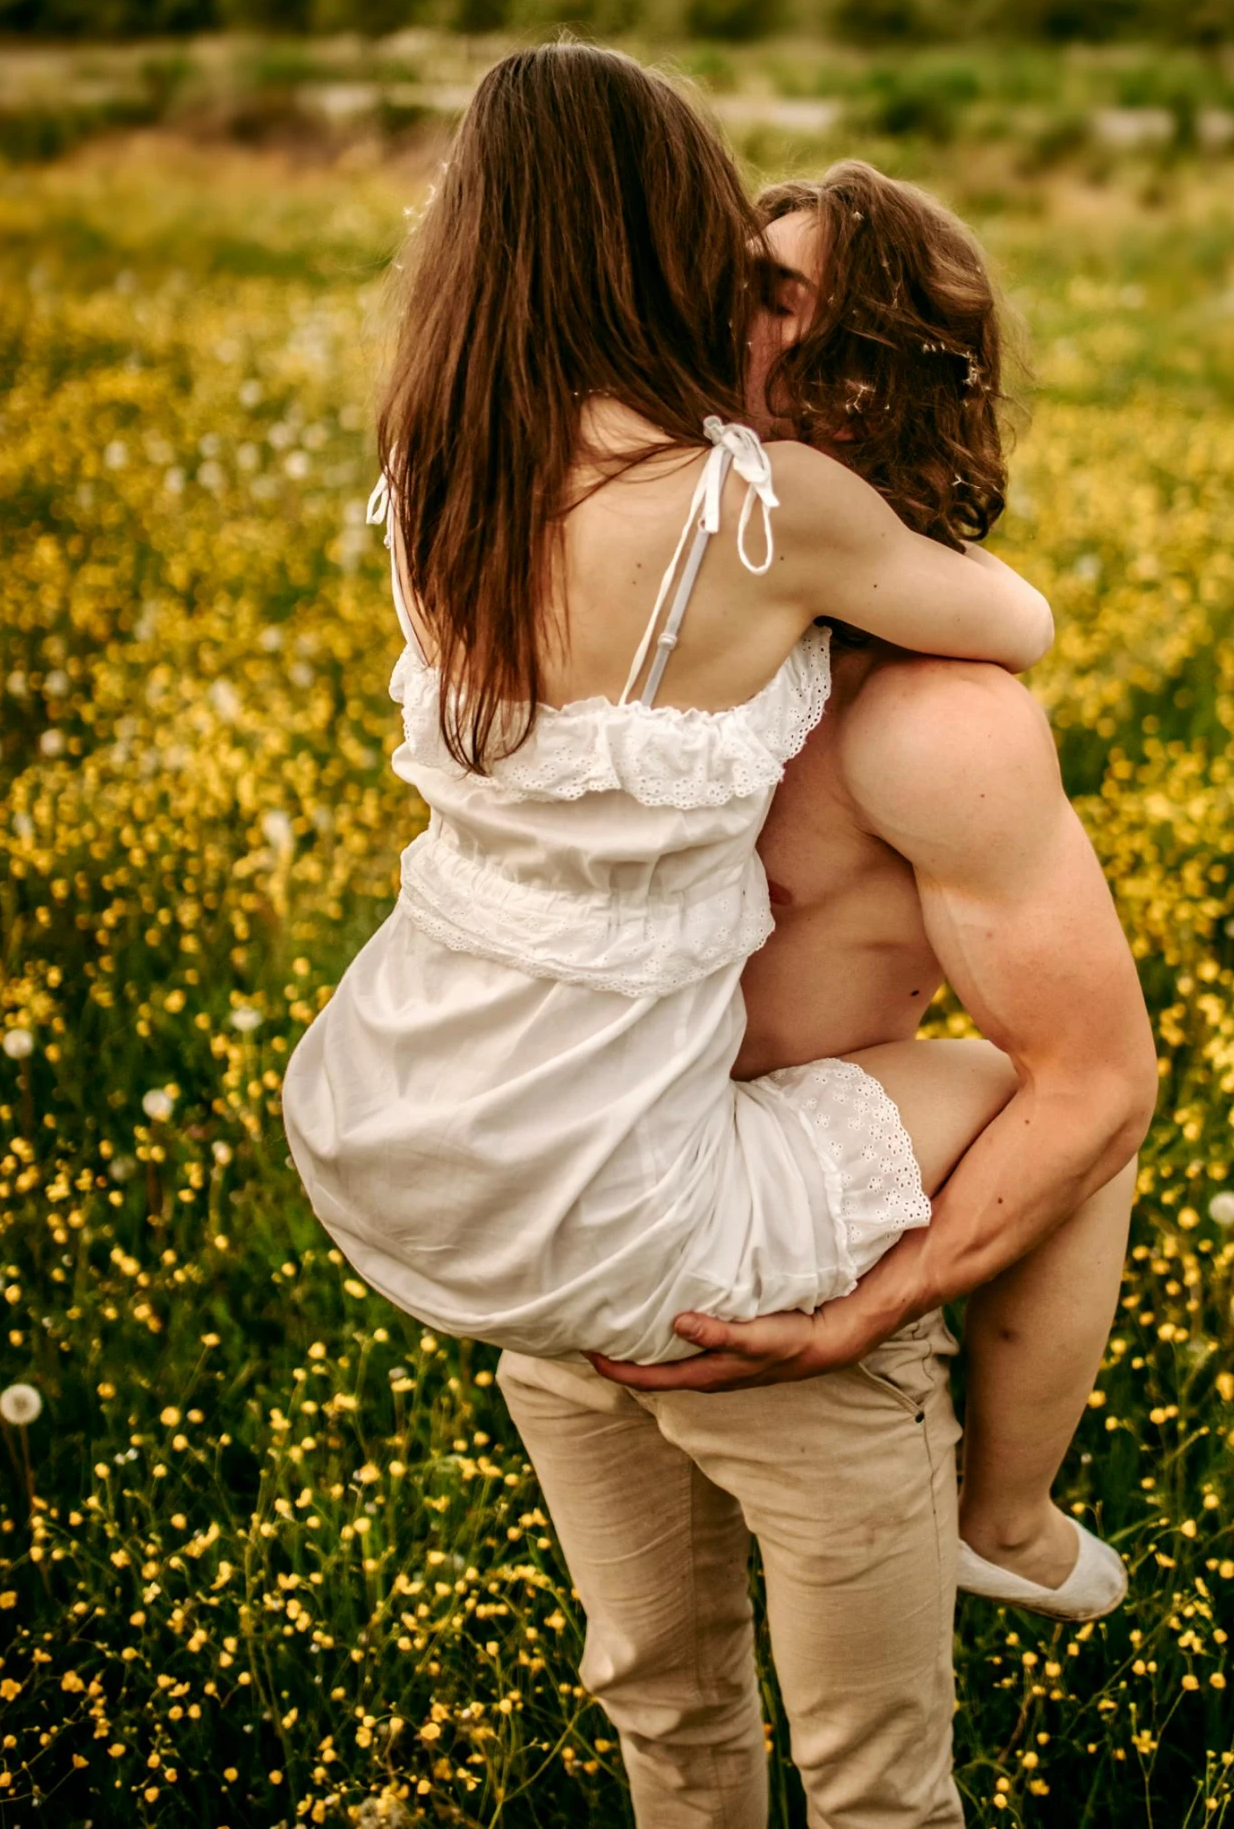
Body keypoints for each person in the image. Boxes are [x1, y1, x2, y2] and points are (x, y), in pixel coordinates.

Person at [498, 165, 1156, 1824]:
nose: (724, 312)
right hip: (581, 1250)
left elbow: (1095, 1078)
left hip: (797, 1305)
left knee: (873, 1794)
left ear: (871, 369)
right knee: (662, 1712)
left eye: (777, 295)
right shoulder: (647, 607)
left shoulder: (932, 715)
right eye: (734, 276)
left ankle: (1000, 1514)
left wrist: (868, 1312)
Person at [282, 45, 1052, 1395]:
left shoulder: (430, 473)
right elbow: (1015, 627)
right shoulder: (752, 508)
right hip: (605, 1209)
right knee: (1035, 1099)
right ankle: (1016, 1513)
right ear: (661, 240)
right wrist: (875, 510)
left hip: (377, 1118)